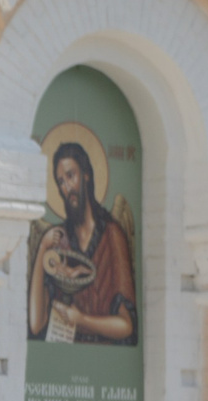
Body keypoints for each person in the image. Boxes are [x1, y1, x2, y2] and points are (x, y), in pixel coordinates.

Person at [27, 139, 138, 344]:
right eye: (61, 182)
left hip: (104, 355)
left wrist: (81, 320)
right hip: (63, 353)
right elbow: (36, 323)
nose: (67, 187)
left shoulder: (112, 235)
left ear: (86, 174)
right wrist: (43, 247)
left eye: (71, 176)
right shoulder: (59, 240)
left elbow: (126, 325)